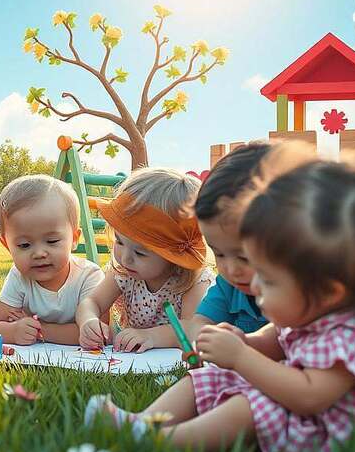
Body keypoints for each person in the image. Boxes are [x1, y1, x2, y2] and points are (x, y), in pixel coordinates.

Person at [89, 150, 355, 452]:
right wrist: (245, 343)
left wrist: (241, 357)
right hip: (310, 417)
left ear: (330, 291)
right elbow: (272, 341)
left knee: (247, 405)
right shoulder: (312, 311)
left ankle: (163, 444)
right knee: (209, 379)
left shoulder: (353, 336)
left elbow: (309, 396)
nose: (254, 286)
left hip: (342, 439)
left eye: (269, 280)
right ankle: (143, 424)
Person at [112, 143, 272, 352]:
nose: (231, 269)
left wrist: (242, 352)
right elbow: (199, 323)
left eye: (244, 257)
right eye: (219, 254)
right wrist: (200, 341)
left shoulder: (298, 293)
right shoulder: (227, 286)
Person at [77, 168, 214, 349]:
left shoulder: (193, 281)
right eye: (119, 241)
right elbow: (91, 302)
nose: (125, 258)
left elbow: (193, 330)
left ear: (174, 255)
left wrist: (151, 337)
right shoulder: (124, 273)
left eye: (140, 253)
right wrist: (88, 321)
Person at [0, 175, 103, 345]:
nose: (39, 253)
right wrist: (14, 331)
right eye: (24, 245)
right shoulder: (19, 277)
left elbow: (96, 333)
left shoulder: (89, 276)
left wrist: (40, 330)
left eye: (52, 241)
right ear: (7, 246)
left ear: (74, 238)